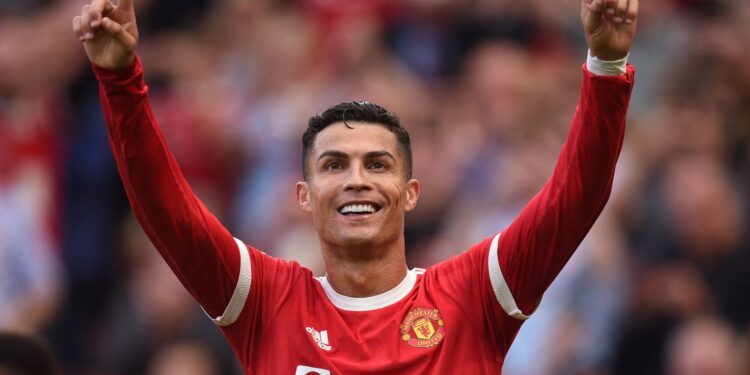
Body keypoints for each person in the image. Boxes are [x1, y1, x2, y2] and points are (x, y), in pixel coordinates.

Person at [71, 0, 637, 372]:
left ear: (411, 193)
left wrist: (606, 66)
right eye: (334, 165)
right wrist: (119, 80)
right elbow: (168, 211)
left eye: (378, 164)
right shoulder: (267, 304)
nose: (356, 179)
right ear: (303, 196)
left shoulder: (470, 298)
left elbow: (576, 197)